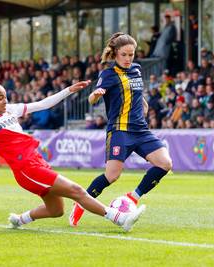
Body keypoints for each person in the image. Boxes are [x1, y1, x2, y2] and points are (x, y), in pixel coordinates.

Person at [0, 80, 145, 232]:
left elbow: (43, 104)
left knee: (57, 211)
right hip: (26, 169)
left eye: (5, 96)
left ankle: (20, 219)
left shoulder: (12, 109)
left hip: (36, 162)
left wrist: (69, 90)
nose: (5, 101)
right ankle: (118, 218)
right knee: (77, 191)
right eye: (0, 98)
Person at [69, 32, 172, 226]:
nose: (127, 58)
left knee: (165, 163)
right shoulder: (108, 74)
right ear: (115, 53)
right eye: (124, 54)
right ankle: (80, 204)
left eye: (131, 55)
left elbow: (135, 93)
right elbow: (92, 99)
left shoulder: (138, 70)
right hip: (119, 130)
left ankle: (133, 197)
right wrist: (96, 95)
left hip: (141, 130)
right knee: (112, 176)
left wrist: (142, 103)